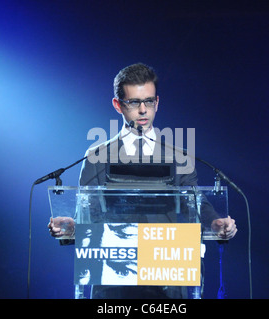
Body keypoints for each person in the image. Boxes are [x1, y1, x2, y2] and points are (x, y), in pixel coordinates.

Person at [48, 63, 237, 298]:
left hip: (167, 276)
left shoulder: (178, 156)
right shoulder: (97, 156)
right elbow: (89, 213)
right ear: (118, 105)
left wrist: (215, 223)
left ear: (157, 102)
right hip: (112, 281)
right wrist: (70, 228)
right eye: (134, 102)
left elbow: (196, 203)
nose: (143, 110)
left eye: (149, 101)